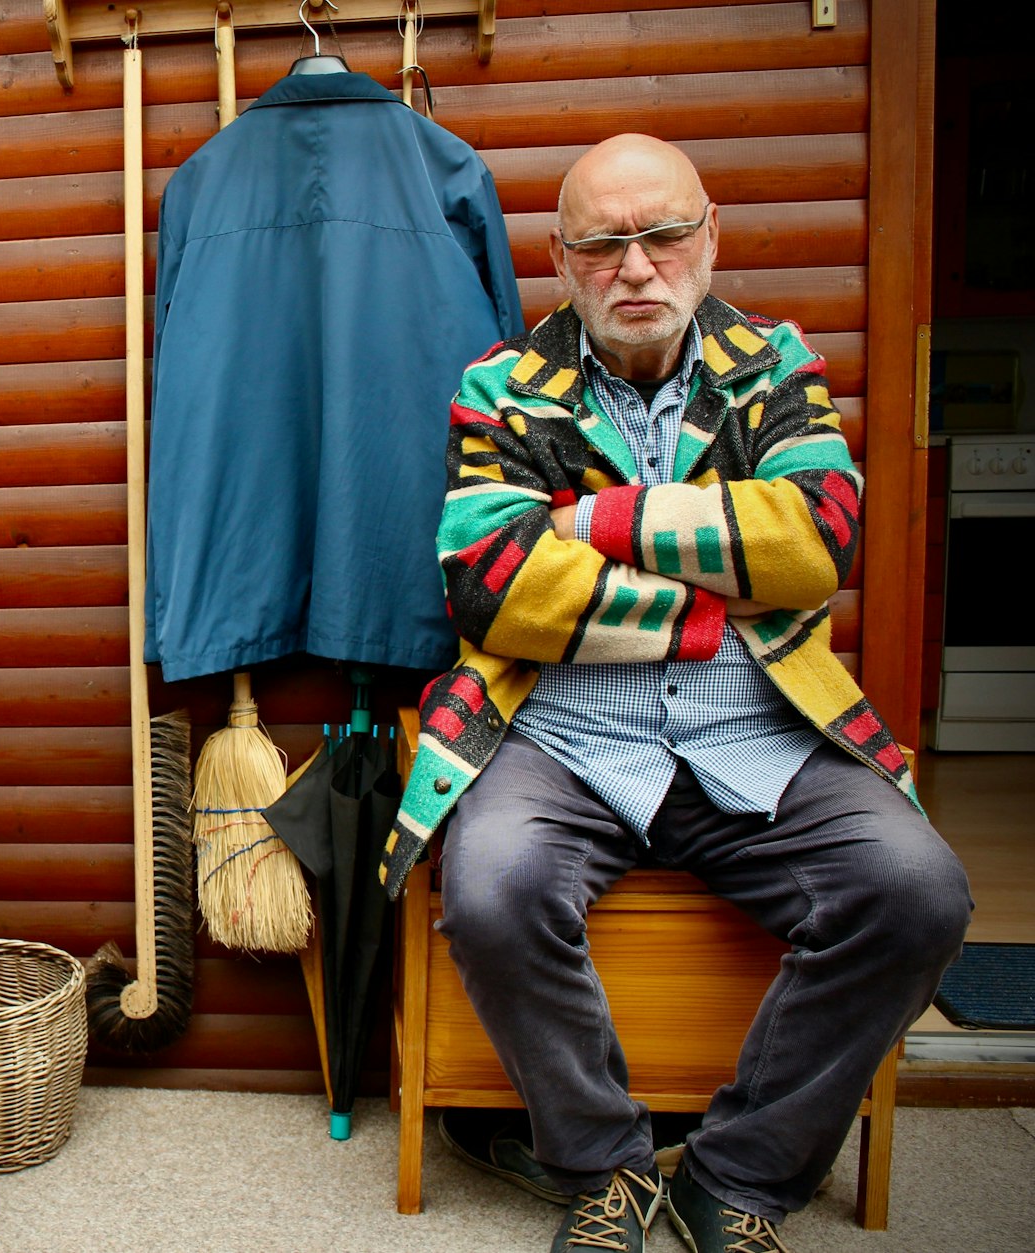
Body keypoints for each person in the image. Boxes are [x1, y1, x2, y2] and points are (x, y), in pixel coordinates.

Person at [379, 136, 972, 1253]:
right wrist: (710, 601)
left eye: (659, 235)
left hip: (758, 726)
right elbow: (491, 584)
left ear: (708, 239)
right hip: (560, 733)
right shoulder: (500, 388)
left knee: (916, 890)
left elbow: (814, 543)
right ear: (562, 260)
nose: (635, 266)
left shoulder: (771, 363)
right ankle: (601, 1166)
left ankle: (733, 1172)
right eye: (603, 242)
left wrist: (593, 522)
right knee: (491, 885)